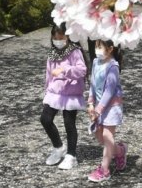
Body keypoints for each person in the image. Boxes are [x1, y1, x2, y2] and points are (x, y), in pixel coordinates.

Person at [40, 23, 87, 170]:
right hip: (54, 92)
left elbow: (82, 70)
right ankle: (58, 147)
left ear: (68, 37)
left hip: (71, 92)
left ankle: (71, 155)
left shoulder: (75, 52)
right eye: (55, 38)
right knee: (45, 119)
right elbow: (48, 75)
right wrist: (46, 91)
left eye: (61, 37)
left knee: (69, 123)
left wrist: (64, 70)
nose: (58, 40)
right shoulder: (52, 54)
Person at [87, 40, 126, 183]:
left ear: (110, 49)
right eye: (96, 47)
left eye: (99, 47)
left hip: (111, 107)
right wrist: (90, 103)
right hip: (98, 107)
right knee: (100, 137)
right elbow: (92, 83)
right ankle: (120, 151)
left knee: (107, 136)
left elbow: (109, 92)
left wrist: (97, 110)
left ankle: (104, 169)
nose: (96, 50)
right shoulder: (96, 62)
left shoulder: (113, 66)